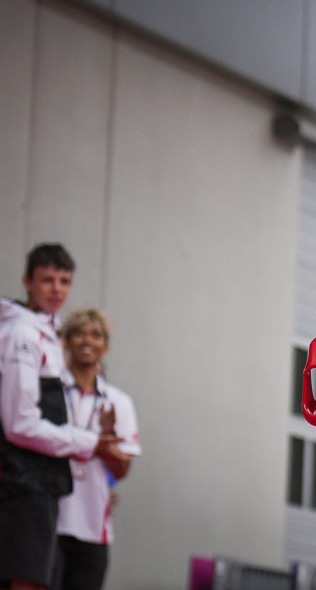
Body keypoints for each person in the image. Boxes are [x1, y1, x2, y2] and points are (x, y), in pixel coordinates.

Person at [0, 245, 124, 590]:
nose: (56, 290)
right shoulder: (23, 333)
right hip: (22, 485)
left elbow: (120, 467)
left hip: (41, 485)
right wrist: (91, 442)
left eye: (64, 281)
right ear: (28, 281)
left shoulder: (45, 335)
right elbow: (20, 424)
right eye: (47, 280)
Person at [52, 308, 141, 590]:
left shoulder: (118, 402)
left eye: (96, 335)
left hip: (93, 528)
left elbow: (123, 469)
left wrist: (106, 438)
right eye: (79, 333)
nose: (87, 341)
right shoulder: (49, 391)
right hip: (48, 520)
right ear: (66, 342)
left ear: (106, 347)